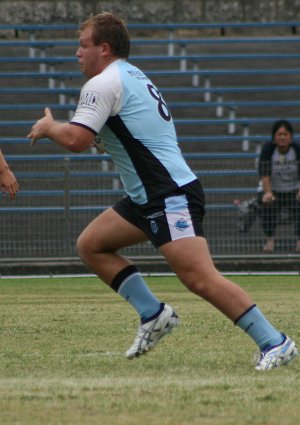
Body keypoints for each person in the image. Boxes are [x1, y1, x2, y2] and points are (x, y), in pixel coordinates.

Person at [27, 12, 298, 371]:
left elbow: (77, 140)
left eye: (83, 45)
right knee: (91, 245)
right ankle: (153, 314)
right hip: (148, 196)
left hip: (167, 194)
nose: (77, 52)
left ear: (104, 49)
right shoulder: (132, 75)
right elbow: (129, 133)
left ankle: (274, 341)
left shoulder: (102, 83)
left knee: (199, 277)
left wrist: (50, 127)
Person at [258, 120, 300, 253]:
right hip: (274, 190)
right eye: (279, 134)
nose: (282, 137)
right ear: (274, 137)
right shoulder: (268, 150)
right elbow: (264, 173)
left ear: (291, 137)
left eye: (285, 134)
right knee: (267, 205)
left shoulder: (297, 150)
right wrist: (268, 192)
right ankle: (269, 240)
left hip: (293, 189)